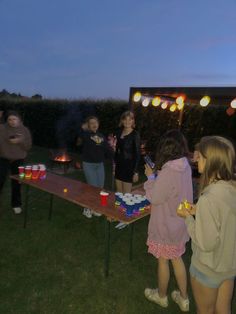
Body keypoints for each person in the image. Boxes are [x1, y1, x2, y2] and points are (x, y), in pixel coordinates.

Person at [179, 136, 236, 314]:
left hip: (208, 269)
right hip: (229, 266)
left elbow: (205, 242)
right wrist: (199, 212)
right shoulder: (231, 188)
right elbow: (225, 219)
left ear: (211, 161)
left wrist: (187, 217)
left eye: (200, 156)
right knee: (223, 309)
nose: (196, 159)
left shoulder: (208, 198)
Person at [143, 129, 193, 312]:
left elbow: (155, 197)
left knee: (164, 260)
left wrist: (150, 177)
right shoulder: (185, 165)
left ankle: (162, 296)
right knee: (177, 258)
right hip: (180, 222)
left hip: (166, 226)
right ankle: (184, 298)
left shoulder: (168, 170)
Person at [77, 116, 113, 218]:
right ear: (88, 125)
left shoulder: (101, 136)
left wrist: (116, 155)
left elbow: (107, 149)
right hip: (89, 164)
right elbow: (79, 135)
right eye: (91, 123)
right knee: (92, 188)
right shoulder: (86, 134)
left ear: (98, 124)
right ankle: (87, 208)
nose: (94, 124)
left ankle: (95, 208)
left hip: (99, 165)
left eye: (95, 122)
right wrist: (82, 128)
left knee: (100, 188)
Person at [0, 111, 32, 214]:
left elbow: (28, 147)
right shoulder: (2, 128)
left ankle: (16, 204)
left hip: (18, 159)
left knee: (17, 182)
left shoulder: (24, 130)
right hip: (3, 158)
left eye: (14, 119)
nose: (12, 122)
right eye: (9, 119)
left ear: (19, 119)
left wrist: (21, 141)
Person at [114, 110, 140, 229]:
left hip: (129, 167)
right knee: (119, 193)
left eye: (131, 119)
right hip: (119, 165)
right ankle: (120, 215)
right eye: (126, 119)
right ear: (122, 120)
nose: (128, 121)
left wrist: (135, 171)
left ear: (133, 121)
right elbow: (117, 151)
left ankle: (126, 218)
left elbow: (138, 154)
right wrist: (114, 166)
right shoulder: (119, 132)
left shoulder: (135, 134)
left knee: (127, 195)